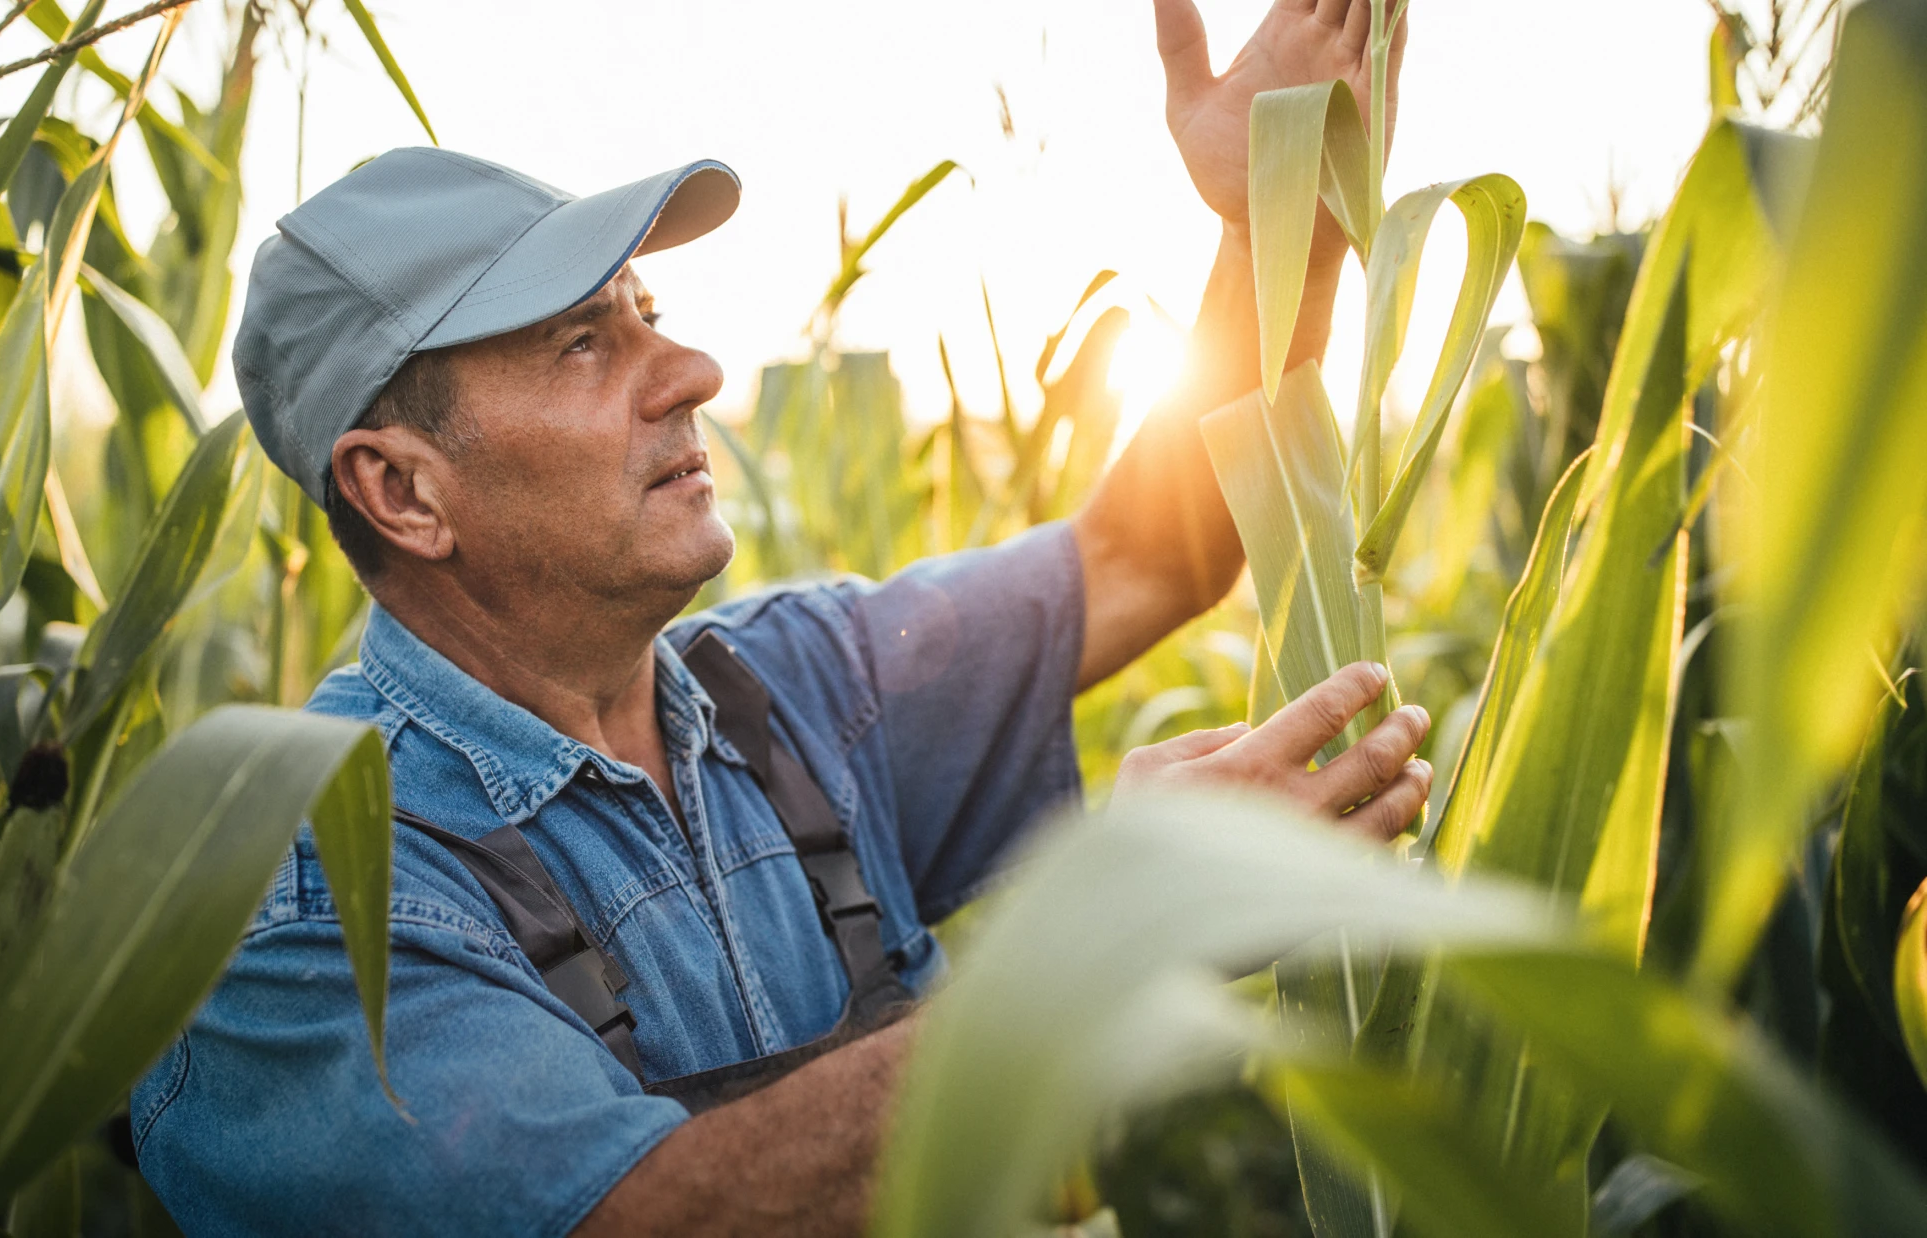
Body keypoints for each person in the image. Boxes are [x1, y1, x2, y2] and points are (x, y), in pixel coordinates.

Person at [130, 1, 1420, 1233]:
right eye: (584, 343)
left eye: (650, 315)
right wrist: (1110, 935)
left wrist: (1276, 212)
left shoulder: (797, 689)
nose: (692, 374)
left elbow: (1147, 554)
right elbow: (638, 1223)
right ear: (402, 489)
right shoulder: (303, 913)